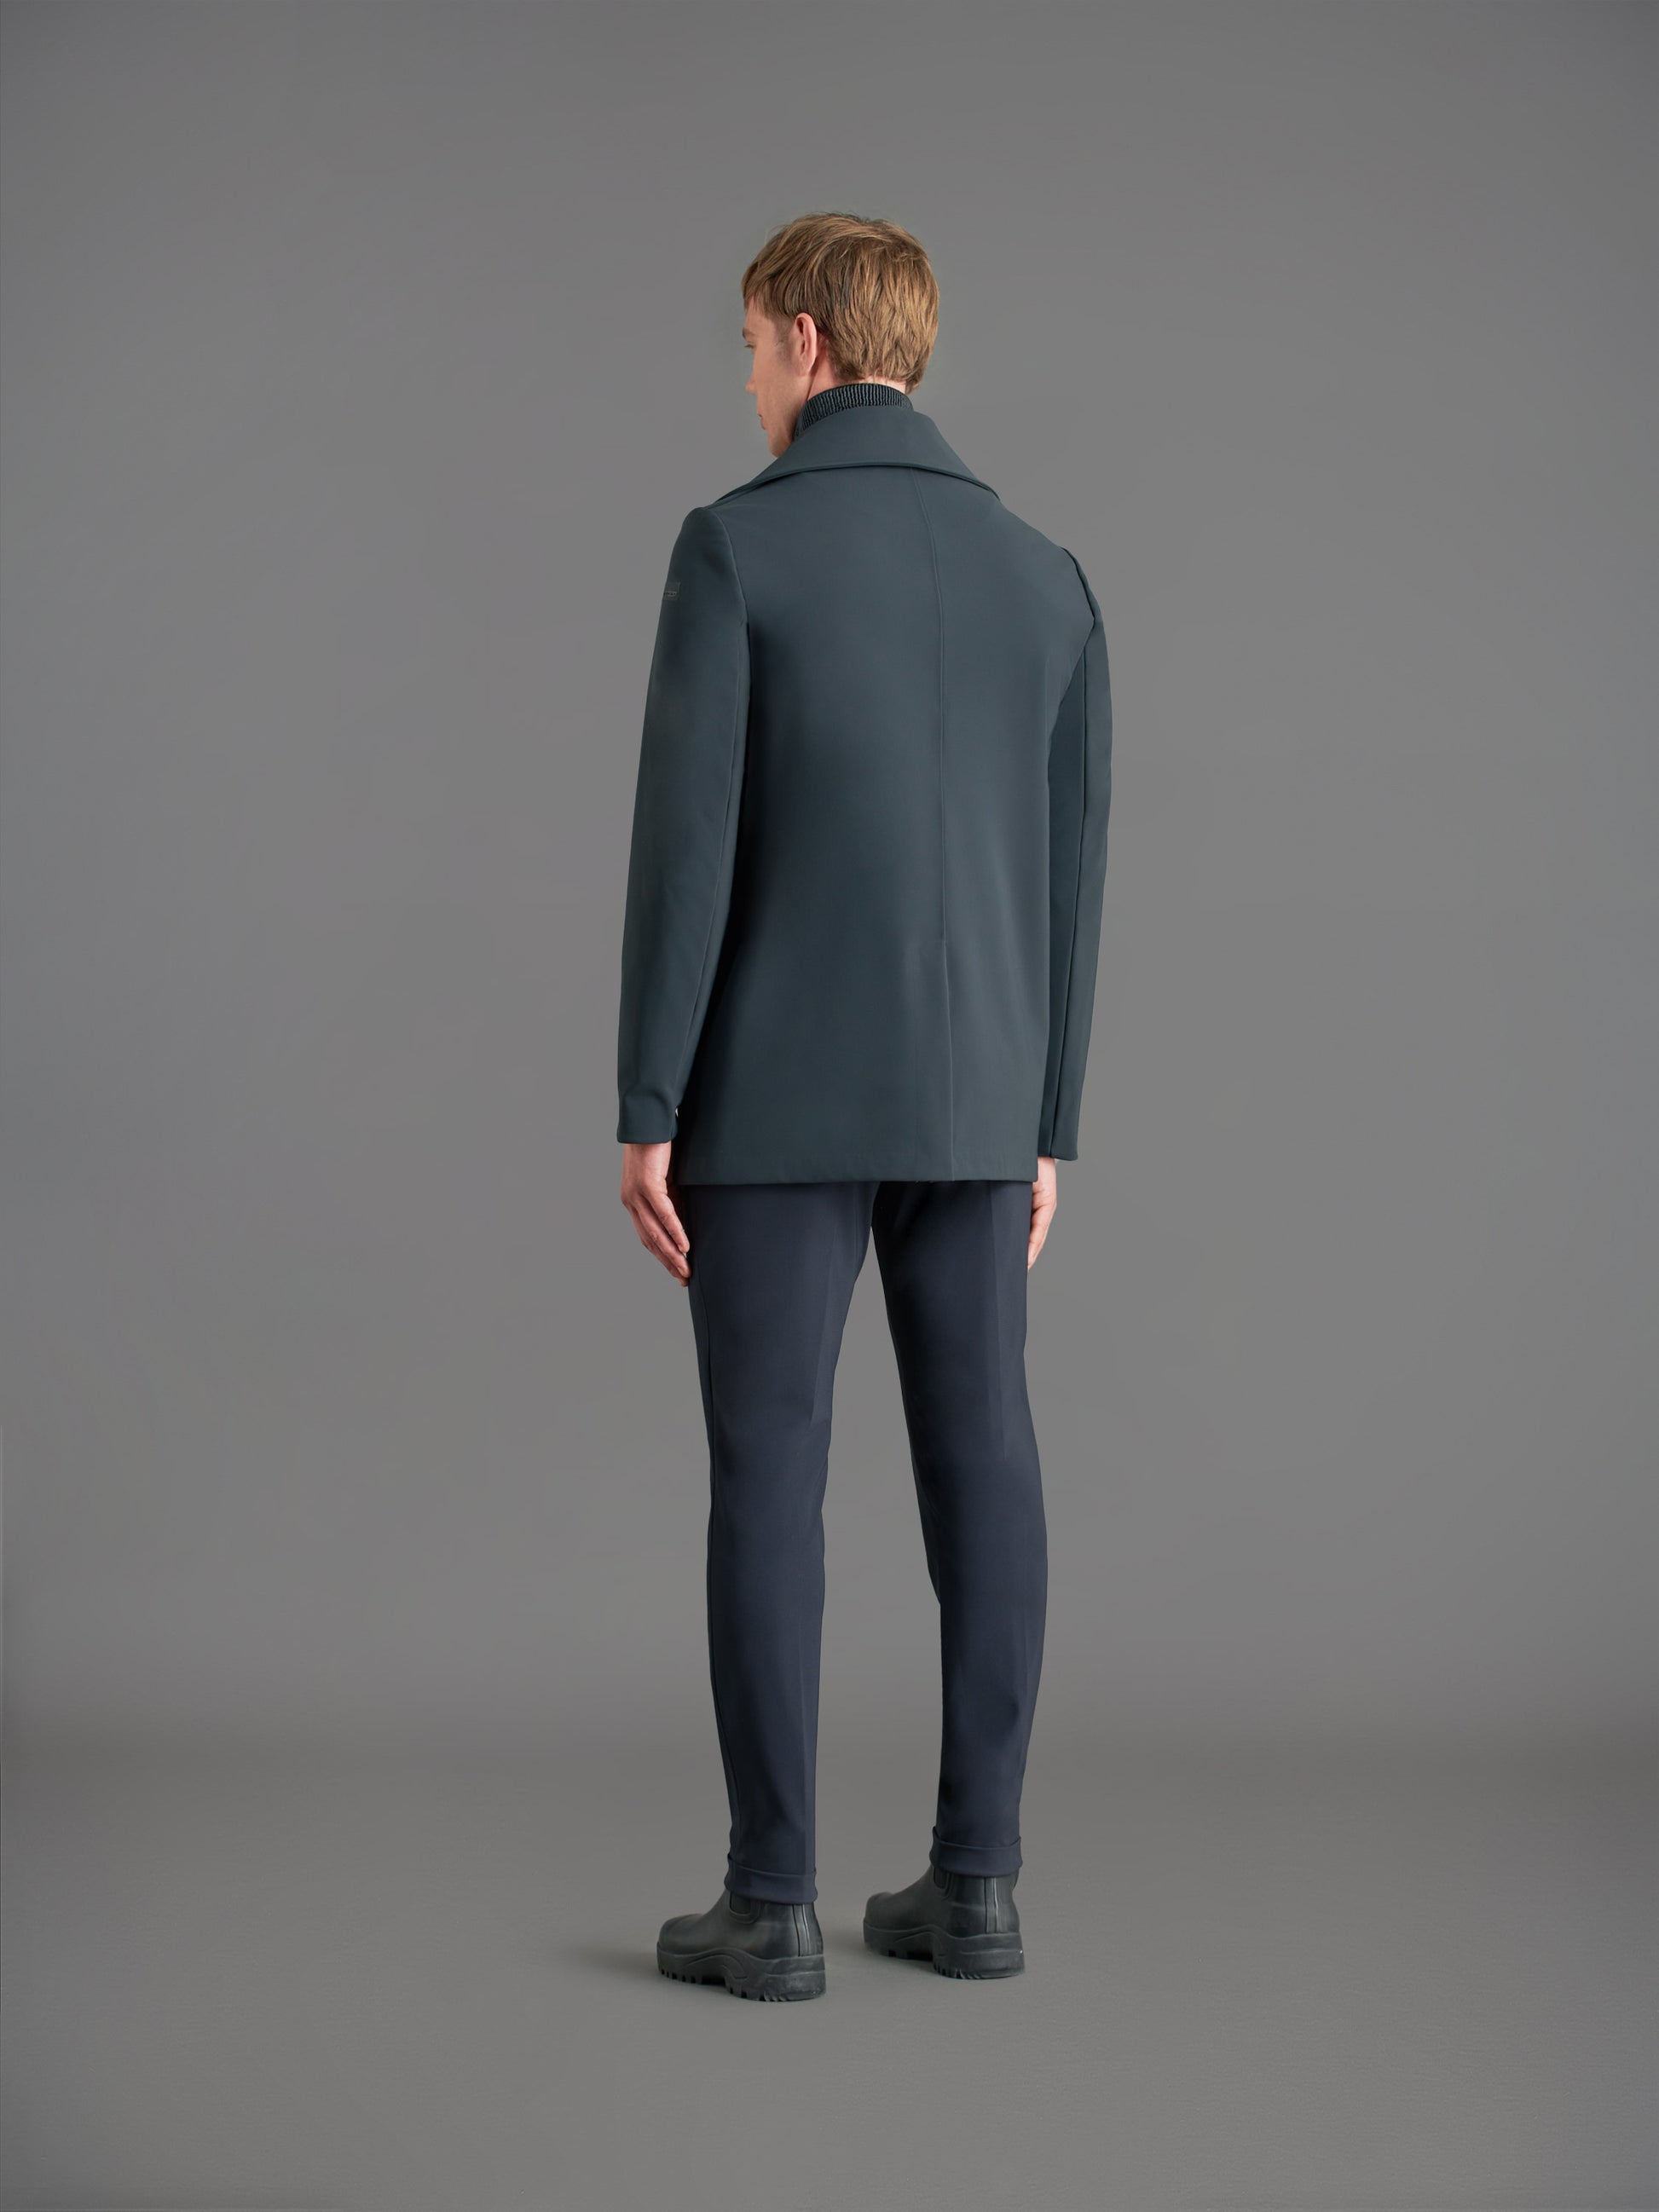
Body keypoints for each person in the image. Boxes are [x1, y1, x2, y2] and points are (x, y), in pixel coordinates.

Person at [615, 211, 1113, 2001]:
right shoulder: (1046, 575)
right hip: (977, 1108)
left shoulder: (737, 547)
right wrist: (1045, 1118)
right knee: (988, 1465)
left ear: (809, 343)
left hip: (770, 1099)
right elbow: (1070, 873)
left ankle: (771, 1905)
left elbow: (688, 852)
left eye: (753, 347)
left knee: (771, 1475)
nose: (749, 381)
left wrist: (649, 1098)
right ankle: (975, 1889)